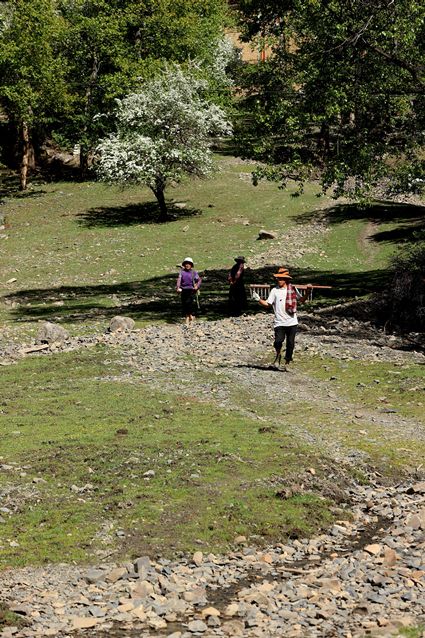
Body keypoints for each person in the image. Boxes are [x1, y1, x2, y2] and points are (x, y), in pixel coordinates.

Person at [252, 268, 312, 371]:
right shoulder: (274, 291)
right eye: (278, 279)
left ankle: (287, 361)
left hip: (291, 321)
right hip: (279, 322)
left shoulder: (292, 289)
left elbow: (301, 300)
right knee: (278, 341)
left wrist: (307, 292)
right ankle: (278, 354)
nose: (279, 280)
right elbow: (268, 304)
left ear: (286, 280)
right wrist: (259, 299)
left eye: (281, 279)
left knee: (290, 343)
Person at [176, 257, 202, 326]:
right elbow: (179, 280)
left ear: (191, 265)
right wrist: (178, 287)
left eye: (189, 264)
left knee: (189, 303)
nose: (187, 265)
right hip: (183, 290)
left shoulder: (193, 272)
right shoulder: (182, 272)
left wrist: (197, 286)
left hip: (191, 290)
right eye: (186, 264)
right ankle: (189, 316)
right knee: (184, 303)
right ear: (184, 265)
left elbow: (199, 280)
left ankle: (188, 316)